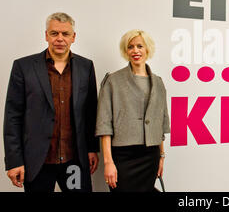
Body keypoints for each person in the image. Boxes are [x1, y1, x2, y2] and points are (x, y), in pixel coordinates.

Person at [3, 12, 99, 192]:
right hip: (38, 162)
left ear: (73, 37)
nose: (60, 39)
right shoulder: (23, 67)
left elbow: (90, 113)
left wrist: (92, 149)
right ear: (46, 35)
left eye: (65, 34)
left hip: (74, 162)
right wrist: (14, 160)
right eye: (54, 33)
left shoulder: (86, 67)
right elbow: (12, 116)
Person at [96, 29, 170, 192]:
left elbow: (159, 124)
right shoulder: (112, 81)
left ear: (147, 49)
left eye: (140, 46)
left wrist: (162, 156)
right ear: (125, 51)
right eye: (130, 47)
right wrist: (108, 162)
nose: (135, 51)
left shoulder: (158, 83)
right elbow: (104, 125)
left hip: (150, 156)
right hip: (123, 157)